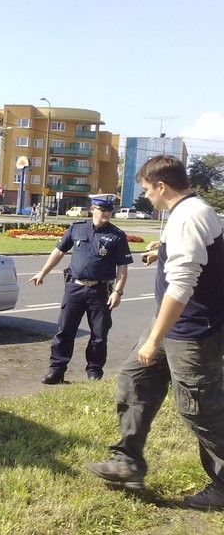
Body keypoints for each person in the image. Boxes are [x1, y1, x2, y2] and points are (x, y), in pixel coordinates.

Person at [85, 155, 224, 509]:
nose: (146, 196)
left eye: (147, 189)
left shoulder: (187, 218)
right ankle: (126, 462)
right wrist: (162, 251)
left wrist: (153, 339)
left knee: (199, 409)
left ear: (162, 186)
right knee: (135, 378)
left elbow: (181, 286)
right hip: (178, 323)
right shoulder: (193, 212)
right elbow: (202, 256)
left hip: (192, 329)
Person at [29, 196, 132, 384]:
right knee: (65, 331)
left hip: (100, 291)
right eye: (103, 210)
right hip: (74, 288)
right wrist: (42, 273)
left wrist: (118, 291)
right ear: (93, 209)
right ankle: (57, 371)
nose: (107, 214)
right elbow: (59, 251)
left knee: (99, 335)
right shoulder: (77, 227)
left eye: (109, 211)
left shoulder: (117, 235)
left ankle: (94, 372)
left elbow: (123, 267)